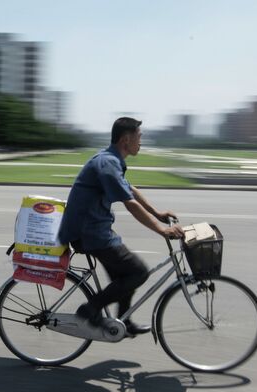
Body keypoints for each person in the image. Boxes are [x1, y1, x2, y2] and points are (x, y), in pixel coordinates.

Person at [58, 117, 184, 336]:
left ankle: (124, 321)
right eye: (139, 137)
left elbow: (130, 190)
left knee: (126, 276)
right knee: (138, 272)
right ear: (126, 139)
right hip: (88, 232)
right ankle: (90, 309)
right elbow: (131, 204)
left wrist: (157, 213)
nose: (141, 142)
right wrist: (162, 230)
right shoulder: (107, 163)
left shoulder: (111, 160)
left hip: (96, 229)